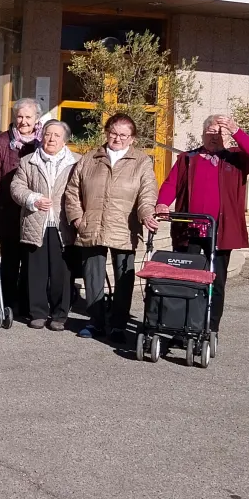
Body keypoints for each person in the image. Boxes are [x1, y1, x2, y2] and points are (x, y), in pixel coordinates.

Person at [155, 114, 249, 334]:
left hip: (220, 232)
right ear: (203, 133)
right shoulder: (188, 158)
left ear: (228, 136)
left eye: (221, 132)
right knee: (186, 279)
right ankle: (181, 326)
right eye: (211, 132)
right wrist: (162, 203)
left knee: (216, 281)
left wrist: (236, 130)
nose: (215, 136)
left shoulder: (236, 158)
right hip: (189, 230)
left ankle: (210, 328)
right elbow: (171, 184)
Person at [64, 113, 159, 341]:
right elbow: (72, 191)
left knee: (124, 278)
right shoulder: (90, 158)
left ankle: (118, 325)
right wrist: (77, 218)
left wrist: (146, 214)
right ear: (107, 132)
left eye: (124, 135)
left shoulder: (142, 162)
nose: (117, 138)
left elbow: (147, 193)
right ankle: (95, 322)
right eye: (114, 133)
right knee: (92, 276)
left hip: (124, 227)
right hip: (92, 225)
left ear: (132, 138)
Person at [11, 120, 79, 330]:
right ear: (42, 137)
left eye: (57, 135)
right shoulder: (28, 161)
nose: (51, 139)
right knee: (36, 271)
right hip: (35, 222)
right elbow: (16, 187)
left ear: (65, 140)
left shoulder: (77, 162)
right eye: (48, 134)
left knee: (62, 272)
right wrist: (33, 199)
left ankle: (59, 315)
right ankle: (37, 313)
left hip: (63, 224)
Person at [0, 97, 43, 314]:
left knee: (31, 259)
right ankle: (7, 302)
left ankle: (28, 303)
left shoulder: (42, 141)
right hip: (8, 207)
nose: (23, 121)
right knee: (10, 258)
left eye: (28, 117)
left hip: (34, 210)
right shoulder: (2, 140)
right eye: (20, 116)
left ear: (37, 118)